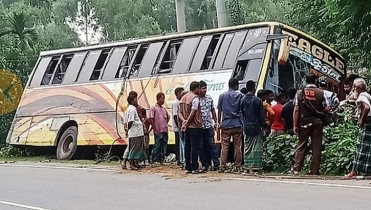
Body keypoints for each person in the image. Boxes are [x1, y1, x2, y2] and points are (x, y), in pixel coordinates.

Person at [293, 73, 330, 175]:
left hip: (304, 122)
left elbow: (296, 110)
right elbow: (327, 108)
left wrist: (295, 125)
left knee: (301, 145)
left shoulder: (300, 93)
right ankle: (314, 171)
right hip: (317, 122)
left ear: (306, 80)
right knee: (316, 146)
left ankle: (296, 169)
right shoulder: (321, 93)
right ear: (315, 81)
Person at [345, 78, 371, 178]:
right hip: (369, 124)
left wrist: (361, 120)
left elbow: (367, 107)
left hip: (366, 123)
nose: (353, 89)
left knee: (360, 148)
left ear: (358, 88)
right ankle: (363, 171)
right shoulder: (367, 95)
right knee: (367, 149)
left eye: (354, 87)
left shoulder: (362, 95)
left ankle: (354, 171)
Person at [217, 78, 244, 172]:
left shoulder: (222, 96)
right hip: (237, 123)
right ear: (236, 85)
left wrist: (219, 122)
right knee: (237, 146)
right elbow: (243, 110)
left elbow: (219, 111)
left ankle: (222, 166)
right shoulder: (241, 95)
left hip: (226, 124)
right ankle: (237, 165)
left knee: (225, 146)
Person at [241, 80, 265, 174]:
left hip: (246, 126)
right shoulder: (258, 101)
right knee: (256, 147)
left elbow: (242, 114)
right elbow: (261, 116)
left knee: (247, 147)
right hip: (256, 126)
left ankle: (247, 166)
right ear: (254, 88)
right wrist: (263, 128)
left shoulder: (242, 100)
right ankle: (256, 167)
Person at [179, 82, 202, 174]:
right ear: (196, 88)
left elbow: (179, 112)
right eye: (199, 88)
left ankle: (188, 167)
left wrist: (184, 122)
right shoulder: (195, 99)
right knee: (194, 148)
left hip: (187, 127)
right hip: (194, 126)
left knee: (187, 147)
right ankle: (194, 167)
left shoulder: (182, 98)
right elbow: (193, 113)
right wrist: (187, 122)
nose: (199, 90)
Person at [198, 81, 220, 172]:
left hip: (208, 126)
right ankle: (205, 164)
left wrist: (216, 122)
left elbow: (213, 111)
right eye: (203, 88)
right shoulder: (196, 100)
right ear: (198, 89)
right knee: (201, 146)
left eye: (205, 88)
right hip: (199, 127)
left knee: (211, 145)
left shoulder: (209, 98)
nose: (205, 90)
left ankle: (216, 163)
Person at [124, 94, 146, 170]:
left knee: (136, 148)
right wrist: (129, 129)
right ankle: (131, 164)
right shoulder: (132, 110)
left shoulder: (128, 110)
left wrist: (127, 130)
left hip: (135, 132)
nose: (137, 101)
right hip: (135, 132)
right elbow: (130, 121)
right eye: (136, 99)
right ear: (132, 100)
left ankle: (135, 163)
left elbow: (125, 122)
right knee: (134, 148)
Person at [149, 92, 170, 164]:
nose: (163, 100)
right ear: (158, 99)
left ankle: (162, 159)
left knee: (164, 146)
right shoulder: (153, 108)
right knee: (157, 146)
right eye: (162, 98)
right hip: (158, 130)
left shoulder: (164, 109)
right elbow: (151, 119)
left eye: (164, 98)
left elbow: (168, 117)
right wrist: (154, 129)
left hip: (164, 130)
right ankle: (155, 160)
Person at [172, 87, 184, 166]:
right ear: (178, 93)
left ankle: (180, 158)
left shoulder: (180, 102)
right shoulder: (176, 103)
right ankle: (178, 159)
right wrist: (179, 126)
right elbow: (175, 115)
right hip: (177, 127)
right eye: (181, 93)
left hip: (180, 126)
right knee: (178, 143)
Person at [178, 90, 189, 169]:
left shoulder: (181, 105)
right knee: (184, 145)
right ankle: (184, 161)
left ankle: (183, 161)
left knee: (183, 145)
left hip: (183, 127)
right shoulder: (182, 105)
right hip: (184, 127)